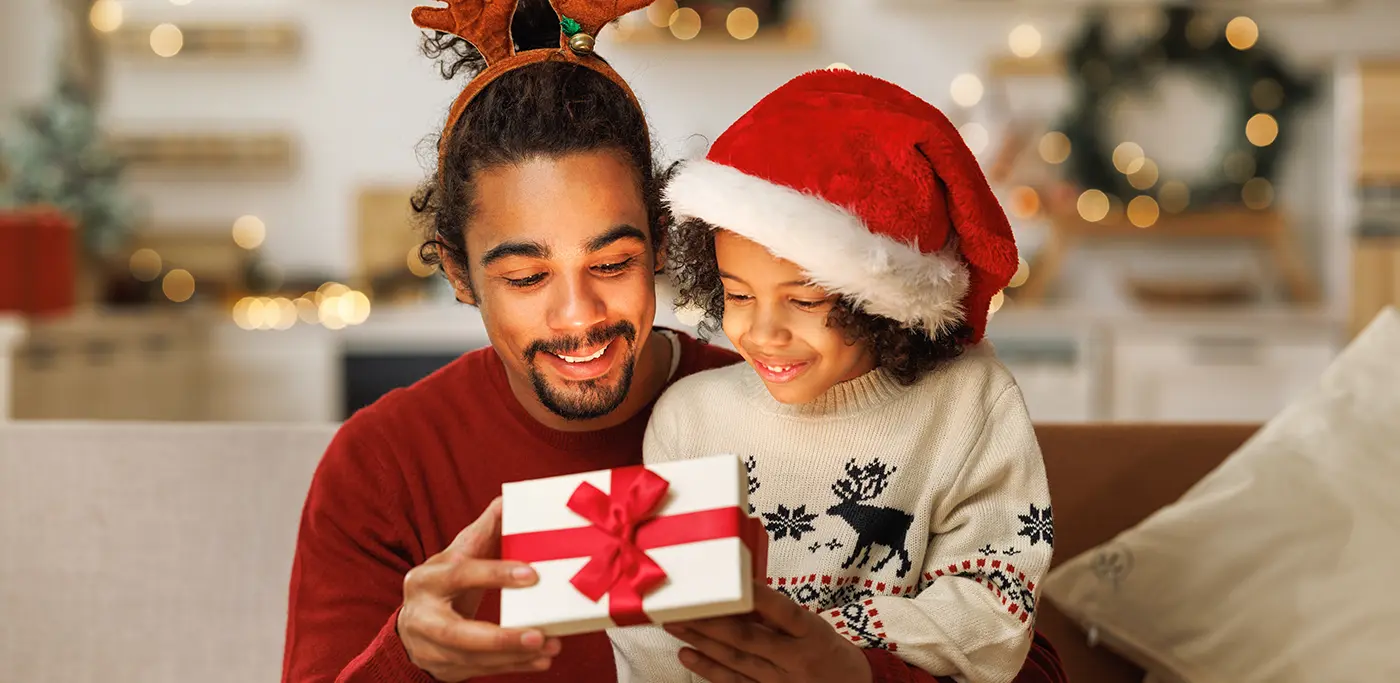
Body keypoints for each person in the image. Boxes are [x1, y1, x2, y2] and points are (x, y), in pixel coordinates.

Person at [280, 2, 1057, 682]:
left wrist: (857, 674)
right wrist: (407, 660)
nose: (578, 314)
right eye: (526, 277)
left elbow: (1029, 658)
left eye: (613, 263)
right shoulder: (382, 466)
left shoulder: (782, 394)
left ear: (662, 244)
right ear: (458, 270)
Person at [607, 68, 1065, 683]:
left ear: (879, 300)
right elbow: (656, 631)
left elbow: (995, 618)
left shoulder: (970, 403)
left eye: (803, 300)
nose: (764, 332)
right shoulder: (690, 419)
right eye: (739, 296)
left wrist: (826, 650)